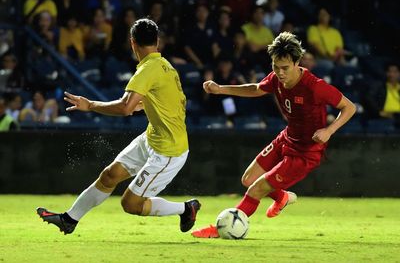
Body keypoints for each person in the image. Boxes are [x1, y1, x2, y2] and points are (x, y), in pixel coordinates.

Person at [36, 18, 200, 235]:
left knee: (130, 204)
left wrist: (91, 105)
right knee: (109, 175)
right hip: (152, 137)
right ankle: (69, 219)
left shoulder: (147, 70)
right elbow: (171, 99)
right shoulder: (166, 66)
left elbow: (125, 108)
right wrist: (146, 104)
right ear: (157, 42)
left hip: (168, 151)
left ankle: (186, 209)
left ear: (132, 43)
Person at [191, 32, 356, 238]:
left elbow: (349, 107)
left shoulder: (315, 86)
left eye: (285, 68)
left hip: (305, 152)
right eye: (275, 67)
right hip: (287, 138)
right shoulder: (277, 77)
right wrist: (221, 89)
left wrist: (329, 130)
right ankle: (282, 197)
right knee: (248, 178)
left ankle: (221, 229)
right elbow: (256, 89)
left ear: (297, 63)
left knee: (255, 189)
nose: (280, 72)